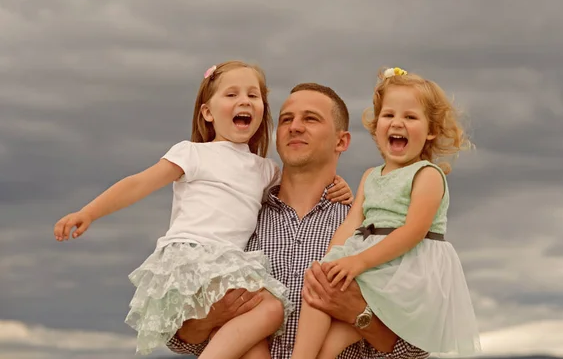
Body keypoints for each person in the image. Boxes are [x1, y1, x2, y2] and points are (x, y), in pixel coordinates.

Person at [52, 61, 353, 358]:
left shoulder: (266, 171)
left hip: (227, 263)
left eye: (253, 95)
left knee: (253, 344)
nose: (243, 101)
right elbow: (139, 183)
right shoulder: (193, 154)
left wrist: (341, 186)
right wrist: (88, 212)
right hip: (195, 257)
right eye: (231, 94)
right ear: (207, 112)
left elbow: (302, 180)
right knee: (271, 309)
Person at [166, 82, 430, 359]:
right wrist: (208, 319)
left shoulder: (369, 230)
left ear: (341, 141)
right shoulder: (236, 218)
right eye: (286, 120)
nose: (295, 127)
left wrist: (358, 314)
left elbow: (416, 346)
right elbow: (179, 338)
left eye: (311, 119)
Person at [290, 67, 482, 359]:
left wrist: (358, 261)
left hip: (404, 269)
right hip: (372, 263)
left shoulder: (426, 174)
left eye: (410, 117)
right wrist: (328, 261)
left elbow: (413, 232)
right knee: (319, 295)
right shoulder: (371, 175)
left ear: (430, 130)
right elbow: (353, 224)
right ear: (377, 124)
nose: (397, 123)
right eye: (389, 115)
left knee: (330, 306)